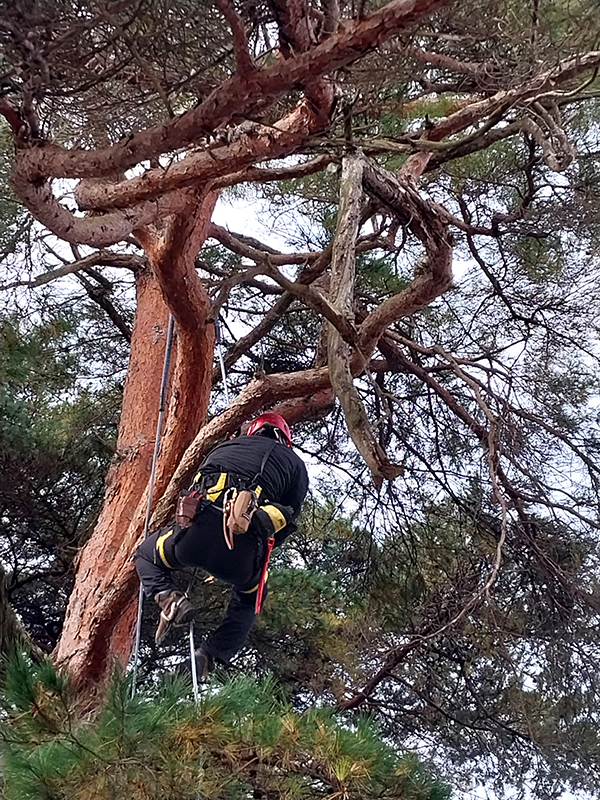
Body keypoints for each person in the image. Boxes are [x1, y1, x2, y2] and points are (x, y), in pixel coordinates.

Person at [135, 412, 309, 676]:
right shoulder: (295, 466)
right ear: (286, 439)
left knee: (146, 555)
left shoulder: (225, 446)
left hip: (192, 538)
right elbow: (288, 520)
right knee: (249, 600)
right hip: (241, 554)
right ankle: (209, 656)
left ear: (252, 431)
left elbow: (195, 486)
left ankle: (169, 599)